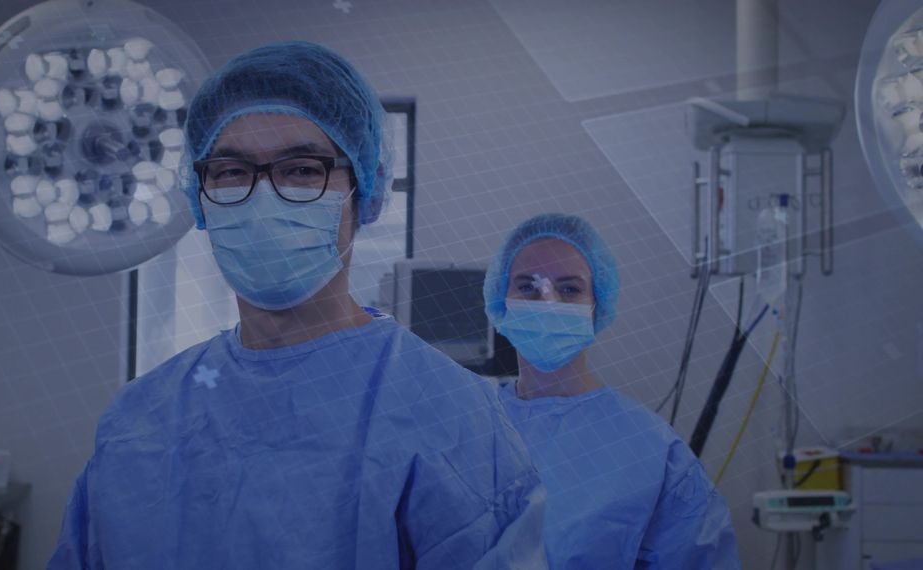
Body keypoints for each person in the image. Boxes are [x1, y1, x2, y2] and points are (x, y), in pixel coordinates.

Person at [49, 41, 547, 569]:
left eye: (302, 170)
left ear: (365, 190)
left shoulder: (453, 418)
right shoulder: (138, 420)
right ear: (200, 198)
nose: (265, 198)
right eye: (231, 171)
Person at [482, 213, 740, 569]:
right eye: (527, 286)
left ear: (597, 304)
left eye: (569, 289)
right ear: (501, 299)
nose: (548, 302)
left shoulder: (651, 451)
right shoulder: (468, 426)